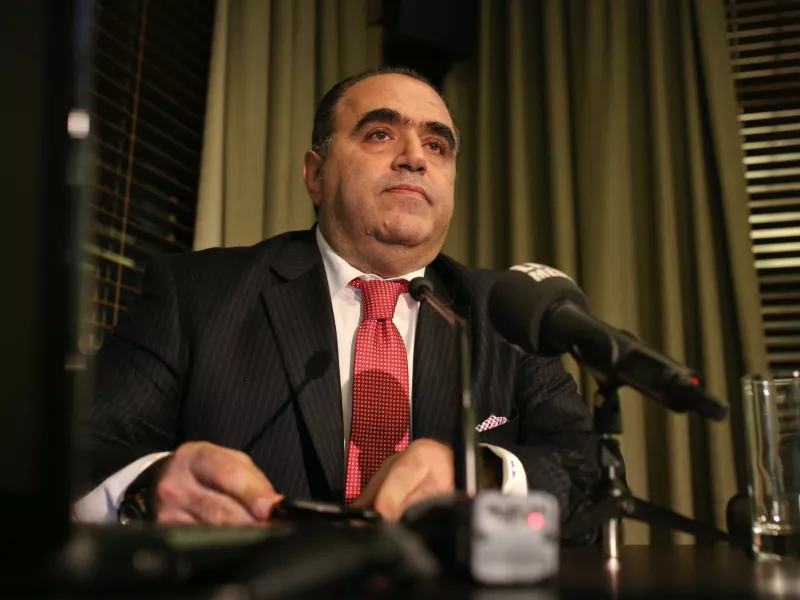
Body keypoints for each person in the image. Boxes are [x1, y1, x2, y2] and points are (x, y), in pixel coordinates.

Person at [74, 67, 599, 529]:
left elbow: (589, 476)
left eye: (437, 145)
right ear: (315, 174)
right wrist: (148, 488)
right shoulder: (195, 291)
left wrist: (480, 475)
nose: (415, 157)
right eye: (380, 134)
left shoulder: (505, 312)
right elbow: (81, 452)